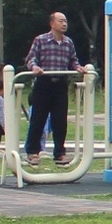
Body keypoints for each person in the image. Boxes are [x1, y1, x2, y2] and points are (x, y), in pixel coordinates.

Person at [23, 13, 80, 164]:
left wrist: (78, 68)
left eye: (66, 21)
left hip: (60, 84)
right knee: (38, 119)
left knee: (60, 120)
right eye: (61, 21)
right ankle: (32, 151)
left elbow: (73, 60)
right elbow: (31, 58)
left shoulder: (68, 43)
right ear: (52, 23)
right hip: (43, 83)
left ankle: (59, 153)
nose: (64, 24)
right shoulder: (40, 40)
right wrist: (35, 67)